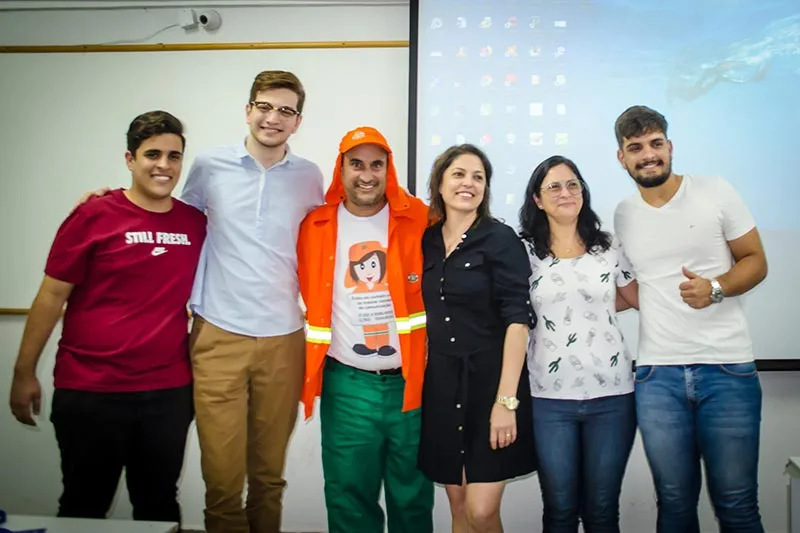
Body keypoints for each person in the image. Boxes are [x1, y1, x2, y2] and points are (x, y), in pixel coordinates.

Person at [73, 71, 324, 533]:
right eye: (264, 106)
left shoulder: (310, 176)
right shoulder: (209, 165)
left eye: (285, 110)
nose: (273, 118)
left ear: (297, 121)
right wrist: (110, 198)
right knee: (223, 485)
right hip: (217, 337)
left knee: (268, 480)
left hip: (285, 339)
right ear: (248, 110)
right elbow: (168, 210)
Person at [8, 111, 205, 529]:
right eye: (152, 154)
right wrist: (23, 373)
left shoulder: (195, 223)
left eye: (174, 156)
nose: (164, 166)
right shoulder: (93, 215)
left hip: (167, 393)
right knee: (84, 503)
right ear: (130, 158)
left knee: (158, 505)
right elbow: (50, 296)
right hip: (90, 392)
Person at [612, 105, 768, 533]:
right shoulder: (622, 215)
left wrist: (716, 288)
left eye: (655, 144)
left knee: (736, 504)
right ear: (622, 157)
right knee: (676, 505)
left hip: (727, 371)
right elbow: (632, 292)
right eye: (636, 147)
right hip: (657, 378)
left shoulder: (715, 191)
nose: (648, 154)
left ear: (670, 146)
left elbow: (756, 261)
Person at [297, 126, 434, 533]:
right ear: (340, 169)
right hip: (347, 386)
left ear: (389, 170)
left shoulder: (420, 219)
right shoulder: (314, 225)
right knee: (348, 497)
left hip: (412, 384)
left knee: (412, 497)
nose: (367, 174)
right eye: (356, 164)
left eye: (377, 164)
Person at [417, 143, 536, 533]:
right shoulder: (427, 240)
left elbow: (518, 321)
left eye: (478, 177)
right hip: (442, 387)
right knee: (458, 508)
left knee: (481, 510)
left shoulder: (500, 239)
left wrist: (506, 402)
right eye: (459, 174)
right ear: (439, 182)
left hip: (491, 386)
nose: (468, 183)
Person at [518, 155, 639, 533]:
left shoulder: (610, 247)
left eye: (573, 184)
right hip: (549, 399)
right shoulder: (523, 252)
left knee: (602, 510)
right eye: (553, 186)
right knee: (560, 510)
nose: (565, 192)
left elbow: (635, 298)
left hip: (614, 397)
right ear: (537, 199)